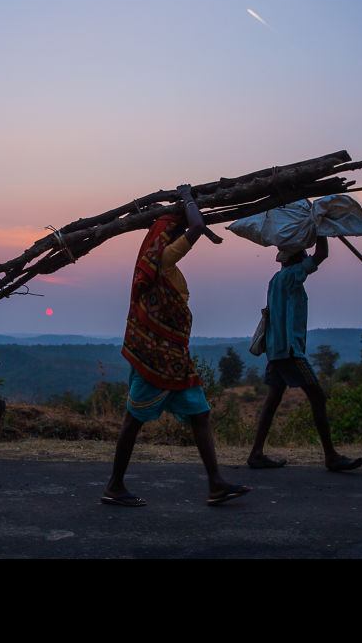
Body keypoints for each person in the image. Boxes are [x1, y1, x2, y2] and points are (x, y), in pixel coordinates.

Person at [102, 185, 251, 507]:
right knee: (133, 420)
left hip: (174, 358)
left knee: (200, 414)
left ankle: (216, 483)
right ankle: (114, 486)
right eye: (177, 229)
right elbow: (197, 226)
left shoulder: (161, 261)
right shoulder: (166, 258)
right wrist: (187, 198)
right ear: (168, 234)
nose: (184, 232)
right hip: (156, 359)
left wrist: (187, 205)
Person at [247, 235, 362, 472]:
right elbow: (321, 255)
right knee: (318, 397)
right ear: (297, 258)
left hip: (276, 351)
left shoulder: (276, 279)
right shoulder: (291, 276)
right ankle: (331, 456)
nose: (306, 256)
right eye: (302, 253)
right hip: (290, 352)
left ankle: (256, 454)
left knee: (272, 401)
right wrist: (321, 227)